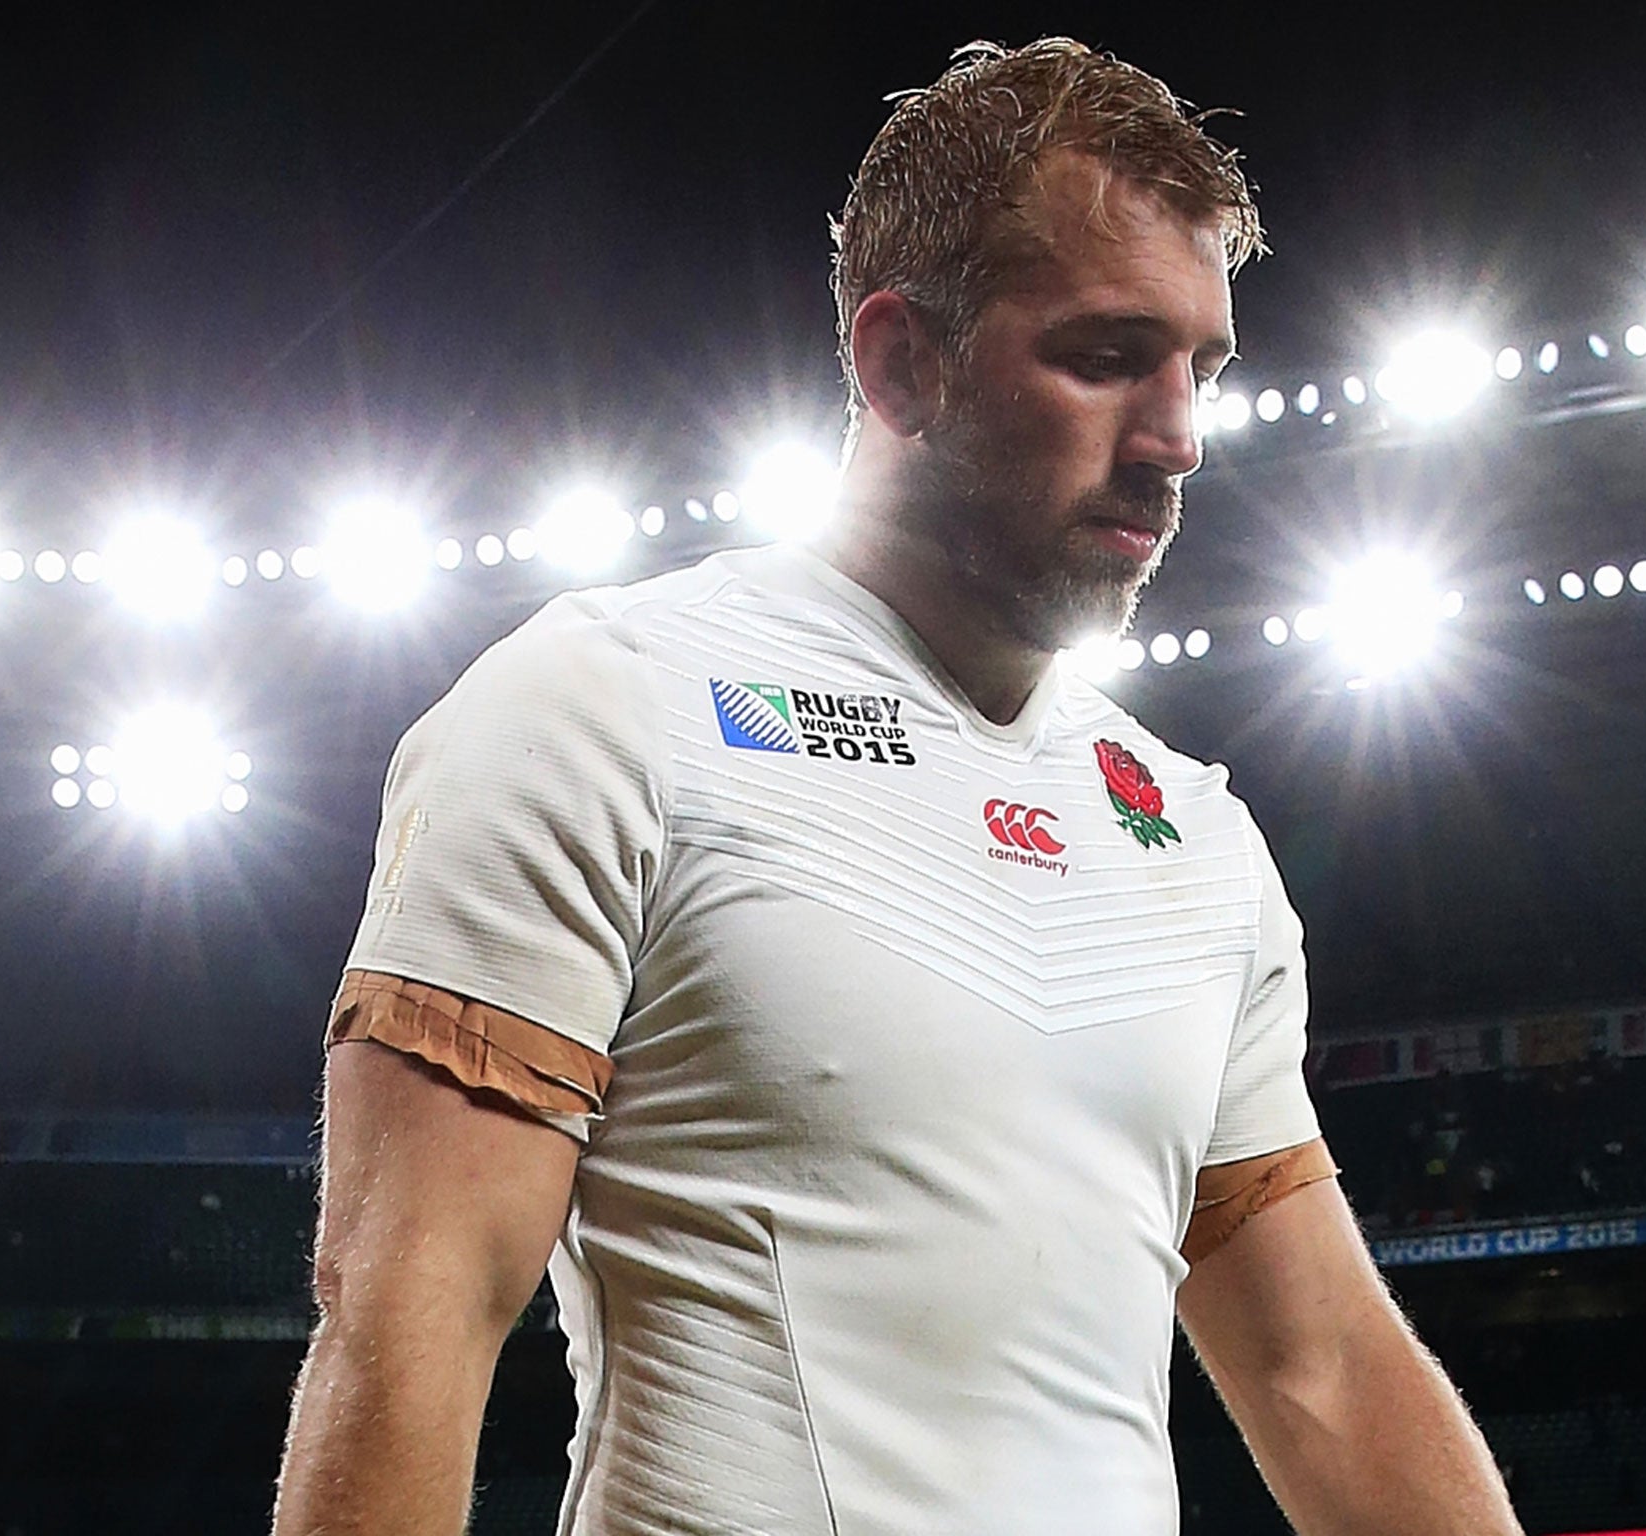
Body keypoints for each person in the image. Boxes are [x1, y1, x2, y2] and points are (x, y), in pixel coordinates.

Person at [273, 38, 1521, 1536]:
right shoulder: (605, 703)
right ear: (899, 362)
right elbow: (409, 1304)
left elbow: (1321, 1366)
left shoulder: (1189, 830)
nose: (1179, 436)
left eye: (1201, 366)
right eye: (1109, 355)